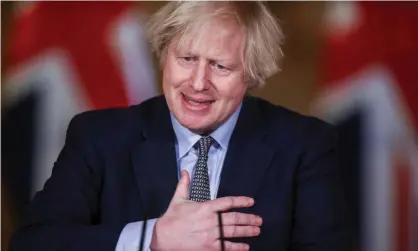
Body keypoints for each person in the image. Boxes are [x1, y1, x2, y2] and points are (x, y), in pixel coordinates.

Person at [9, 2, 353, 251]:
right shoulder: (99, 137)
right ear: (164, 55)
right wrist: (152, 238)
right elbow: (33, 243)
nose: (198, 83)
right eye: (187, 59)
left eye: (220, 66)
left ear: (251, 74)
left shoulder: (306, 144)